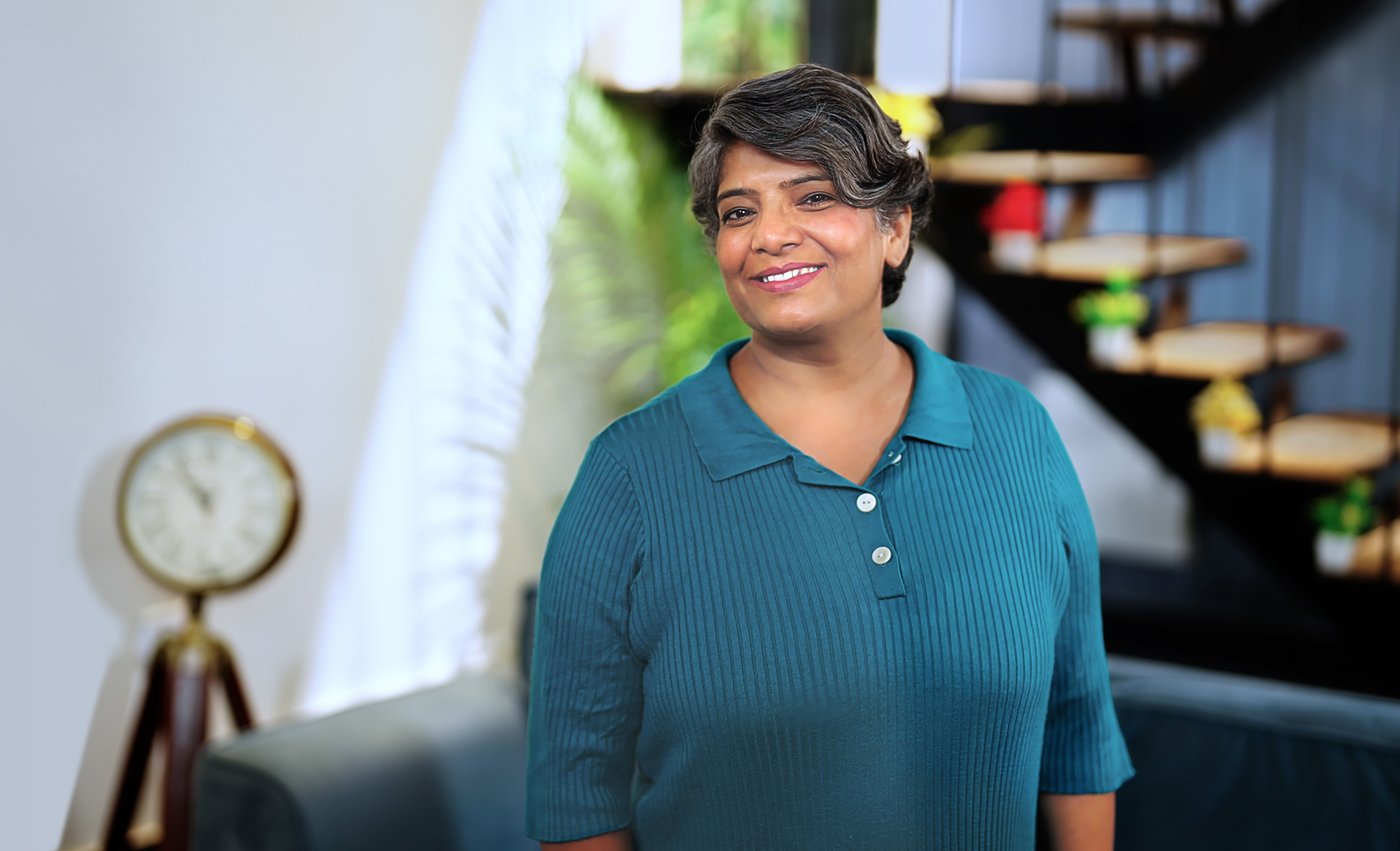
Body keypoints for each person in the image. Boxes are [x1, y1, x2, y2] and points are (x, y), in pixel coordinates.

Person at [525, 63, 1133, 850]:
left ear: (896, 228)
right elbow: (579, 798)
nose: (770, 235)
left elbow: (1077, 725)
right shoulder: (630, 476)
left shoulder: (1016, 434)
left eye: (814, 197)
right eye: (738, 211)